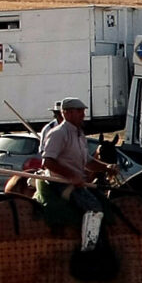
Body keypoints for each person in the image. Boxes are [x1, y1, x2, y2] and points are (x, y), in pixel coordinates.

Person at [25, 98, 106, 245]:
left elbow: (87, 161)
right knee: (94, 208)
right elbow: (47, 161)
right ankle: (89, 247)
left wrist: (106, 167)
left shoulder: (80, 134)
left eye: (83, 111)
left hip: (76, 182)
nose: (83, 115)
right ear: (67, 113)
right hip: (59, 183)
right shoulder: (58, 133)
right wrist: (71, 175)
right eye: (79, 111)